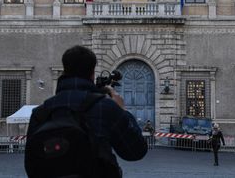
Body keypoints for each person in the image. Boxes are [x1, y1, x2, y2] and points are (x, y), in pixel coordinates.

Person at [25, 45, 147, 178]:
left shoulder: (40, 113)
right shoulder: (105, 107)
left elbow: (31, 164)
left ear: (64, 70)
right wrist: (122, 110)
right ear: (92, 73)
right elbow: (135, 151)